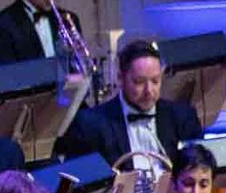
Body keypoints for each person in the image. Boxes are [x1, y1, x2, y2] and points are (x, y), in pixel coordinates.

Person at [59, 38, 202, 174]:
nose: (149, 90)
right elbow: (79, 183)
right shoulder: (90, 125)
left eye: (155, 81)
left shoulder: (183, 116)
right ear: (120, 78)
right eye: (139, 82)